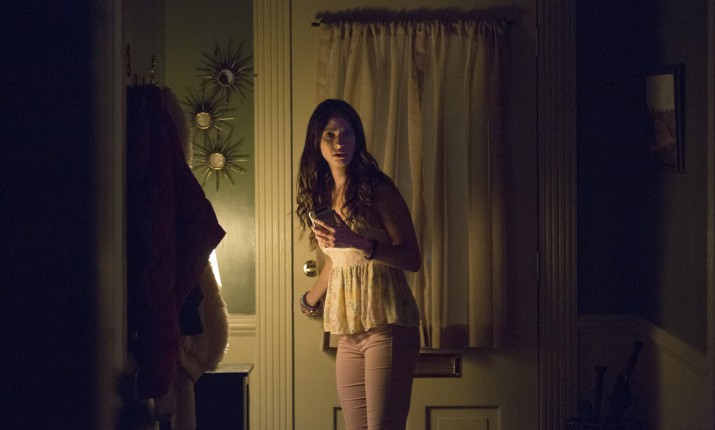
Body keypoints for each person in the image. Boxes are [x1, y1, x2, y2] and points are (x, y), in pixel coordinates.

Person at [296, 99, 422, 430]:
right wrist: (310, 300)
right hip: (350, 330)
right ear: (316, 141)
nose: (339, 142)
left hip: (388, 322)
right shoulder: (322, 194)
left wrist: (358, 240)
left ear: (358, 137)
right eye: (330, 134)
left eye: (347, 133)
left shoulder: (377, 189)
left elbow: (412, 258)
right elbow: (337, 260)